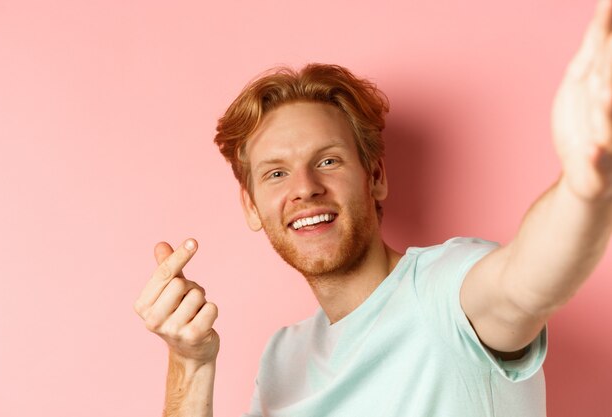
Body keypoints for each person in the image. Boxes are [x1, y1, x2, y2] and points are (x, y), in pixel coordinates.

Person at [134, 1, 612, 416]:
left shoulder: (443, 290)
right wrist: (191, 363)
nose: (305, 188)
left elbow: (526, 282)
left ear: (376, 177)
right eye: (276, 173)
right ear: (252, 206)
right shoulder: (283, 356)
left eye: (328, 161)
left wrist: (585, 186)